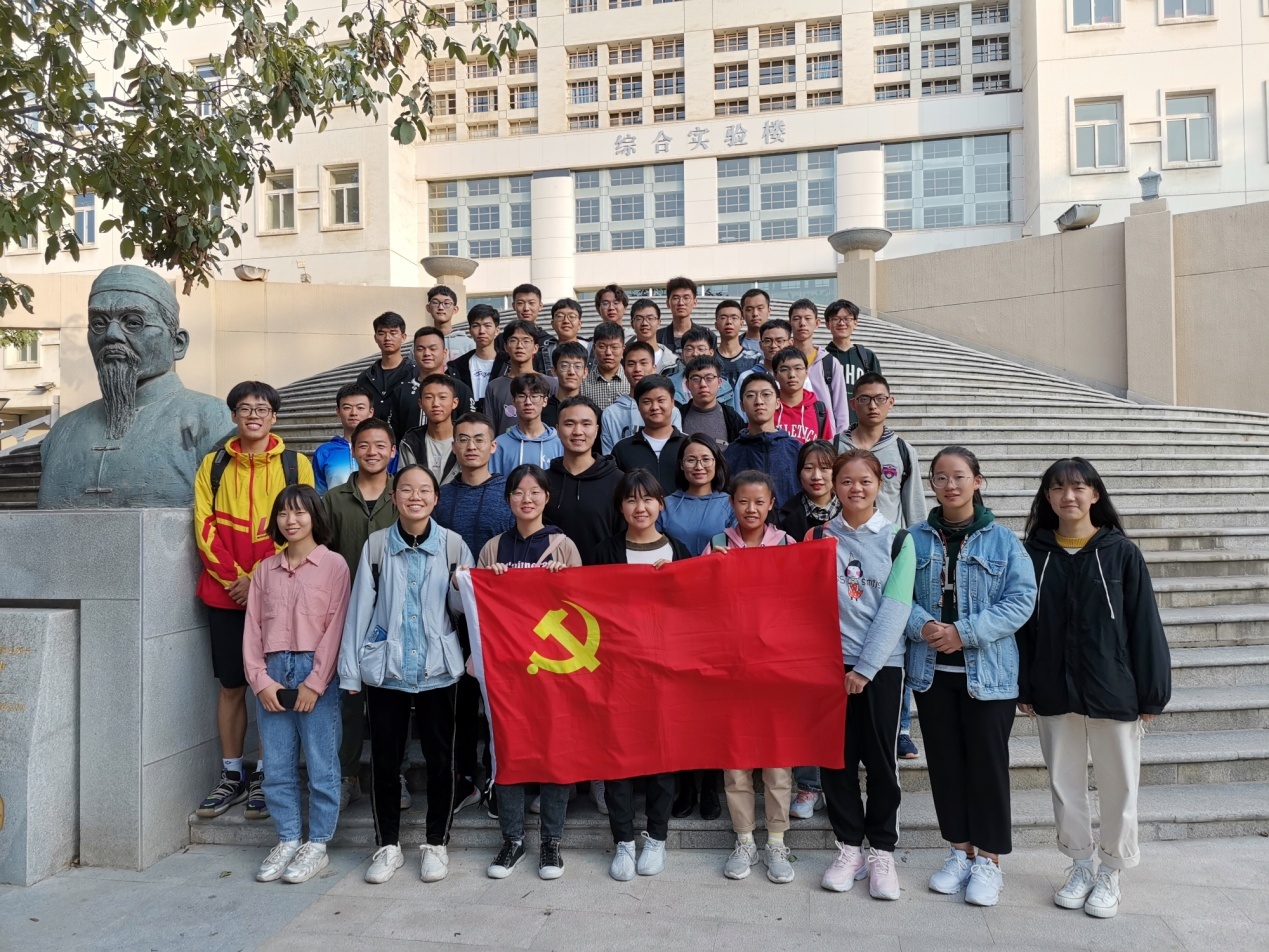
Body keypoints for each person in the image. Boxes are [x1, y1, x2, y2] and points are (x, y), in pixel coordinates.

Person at [1019, 458, 1170, 919]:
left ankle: (1112, 870)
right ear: (1047, 496)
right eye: (1058, 488)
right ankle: (1080, 864)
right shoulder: (1033, 554)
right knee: (1064, 783)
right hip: (1053, 686)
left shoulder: (1121, 553)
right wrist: (1024, 685)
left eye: (1079, 487)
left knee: (1119, 784)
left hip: (1113, 687)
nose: (1069, 496)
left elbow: (1144, 626)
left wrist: (1152, 692)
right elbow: (1023, 628)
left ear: (1095, 495)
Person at [905, 447, 1037, 907]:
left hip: (989, 677)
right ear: (932, 485)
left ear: (977, 481)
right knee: (945, 766)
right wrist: (923, 625)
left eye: (959, 476)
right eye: (940, 477)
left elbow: (1021, 600)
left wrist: (964, 632)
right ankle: (959, 852)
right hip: (932, 675)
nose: (950, 485)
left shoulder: (1003, 541)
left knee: (987, 767)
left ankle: (989, 861)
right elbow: (897, 594)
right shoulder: (915, 539)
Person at [339, 464, 474, 885]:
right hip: (387, 668)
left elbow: (465, 611)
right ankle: (388, 845)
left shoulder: (454, 545)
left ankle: (436, 843)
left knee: (440, 760)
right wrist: (350, 671)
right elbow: (360, 608)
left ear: (436, 498)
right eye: (407, 490)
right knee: (384, 761)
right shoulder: (377, 545)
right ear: (394, 498)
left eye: (424, 490)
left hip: (439, 668)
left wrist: (459, 586)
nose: (416, 497)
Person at [194, 381, 315, 821]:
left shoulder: (295, 463)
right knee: (231, 685)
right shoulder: (214, 464)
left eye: (262, 409)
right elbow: (204, 525)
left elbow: (300, 523)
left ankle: (268, 774)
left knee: (275, 685)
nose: (253, 416)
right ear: (233, 416)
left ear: (274, 417)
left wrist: (258, 582)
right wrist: (236, 580)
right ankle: (232, 774)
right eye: (244, 409)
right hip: (225, 594)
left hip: (279, 592)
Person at [37, 264, 234, 510]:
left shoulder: (213, 420)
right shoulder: (63, 430)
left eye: (133, 322)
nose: (111, 335)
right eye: (98, 323)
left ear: (177, 343)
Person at [817, 449, 915, 901]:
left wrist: (865, 668)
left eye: (865, 481)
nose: (855, 489)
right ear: (834, 486)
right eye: (846, 481)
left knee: (880, 762)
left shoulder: (898, 540)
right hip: (826, 667)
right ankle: (848, 847)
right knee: (835, 761)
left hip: (881, 668)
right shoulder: (819, 536)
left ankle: (881, 851)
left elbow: (896, 608)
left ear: (880, 485)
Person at [477, 464, 583, 881]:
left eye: (535, 492)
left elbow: (583, 607)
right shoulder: (493, 548)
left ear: (546, 497)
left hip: (554, 669)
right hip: (507, 672)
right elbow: (468, 607)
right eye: (518, 492)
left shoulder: (564, 546)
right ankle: (513, 839)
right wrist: (488, 581)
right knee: (509, 751)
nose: (527, 499)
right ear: (508, 500)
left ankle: (551, 841)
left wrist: (563, 582)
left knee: (556, 751)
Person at [246, 486, 350, 884]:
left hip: (314, 671)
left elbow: (336, 627)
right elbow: (252, 629)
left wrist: (316, 681)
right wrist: (260, 681)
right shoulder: (264, 570)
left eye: (300, 512)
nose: (291, 521)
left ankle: (317, 844)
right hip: (273, 670)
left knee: (322, 764)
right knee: (276, 765)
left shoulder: (334, 565)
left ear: (315, 517)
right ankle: (288, 838)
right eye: (283, 513)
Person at [593, 469, 693, 881]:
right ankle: (623, 840)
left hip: (666, 671)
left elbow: (694, 608)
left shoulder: (678, 550)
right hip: (617, 670)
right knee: (617, 754)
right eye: (631, 500)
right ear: (620, 507)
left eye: (648, 499)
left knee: (663, 754)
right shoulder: (604, 552)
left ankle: (656, 836)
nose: (640, 507)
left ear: (660, 504)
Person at [705, 470, 796, 885]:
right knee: (736, 759)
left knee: (778, 759)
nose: (751, 509)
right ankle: (744, 839)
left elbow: (799, 602)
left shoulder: (788, 545)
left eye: (759, 502)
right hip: (731, 668)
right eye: (743, 501)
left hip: (776, 668)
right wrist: (713, 570)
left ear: (772, 503)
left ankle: (776, 840)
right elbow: (698, 599)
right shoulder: (717, 544)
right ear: (732, 504)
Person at [837, 372, 927, 758]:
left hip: (891, 552)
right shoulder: (837, 444)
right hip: (847, 547)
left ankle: (901, 727)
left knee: (894, 635)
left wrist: (917, 550)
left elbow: (914, 506)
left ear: (891, 403)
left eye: (879, 398)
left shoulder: (902, 449)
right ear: (853, 403)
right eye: (864, 398)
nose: (872, 405)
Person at [436, 413, 516, 813]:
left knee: (500, 701)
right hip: (453, 615)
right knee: (460, 702)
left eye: (479, 439)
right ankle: (465, 778)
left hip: (502, 617)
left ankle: (501, 778)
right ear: (453, 446)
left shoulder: (510, 493)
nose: (471, 446)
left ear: (493, 446)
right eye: (463, 439)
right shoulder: (440, 496)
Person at [323, 418, 399, 811]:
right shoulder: (333, 500)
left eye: (381, 445)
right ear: (353, 451)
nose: (372, 452)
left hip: (394, 613)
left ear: (393, 451)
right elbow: (320, 555)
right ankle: (348, 775)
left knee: (391, 700)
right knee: (348, 699)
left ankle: (392, 776)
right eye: (364, 445)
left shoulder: (404, 494)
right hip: (345, 613)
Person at [781, 439, 840, 820]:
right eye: (808, 468)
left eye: (825, 467)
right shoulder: (784, 515)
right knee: (804, 708)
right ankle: (808, 784)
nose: (816, 476)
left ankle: (837, 785)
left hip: (846, 621)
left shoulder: (855, 511)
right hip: (799, 624)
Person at [544, 396, 624, 566]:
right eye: (569, 424)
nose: (578, 431)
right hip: (553, 576)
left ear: (596, 430)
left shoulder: (618, 481)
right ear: (557, 429)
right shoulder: (543, 482)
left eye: (586, 424)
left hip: (602, 575)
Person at [724, 372, 801, 506]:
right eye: (750, 395)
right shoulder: (730, 455)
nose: (759, 401)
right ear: (742, 405)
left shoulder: (797, 451)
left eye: (766, 394)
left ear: (777, 403)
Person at [389, 327, 476, 439]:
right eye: (420, 349)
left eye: (433, 349)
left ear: (445, 353)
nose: (427, 353)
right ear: (414, 354)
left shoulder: (460, 388)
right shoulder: (401, 391)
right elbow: (394, 433)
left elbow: (469, 427)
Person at [600, 342, 684, 454]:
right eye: (631, 364)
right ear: (624, 370)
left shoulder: (671, 410)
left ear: (654, 368)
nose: (637, 369)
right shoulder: (611, 413)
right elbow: (608, 456)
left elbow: (677, 450)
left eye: (643, 363)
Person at [658, 435, 734, 556]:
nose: (699, 467)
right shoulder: (665, 505)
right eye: (691, 460)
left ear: (716, 462)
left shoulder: (730, 504)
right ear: (681, 465)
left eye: (706, 459)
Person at [610, 375, 688, 492]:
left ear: (672, 402)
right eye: (647, 402)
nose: (654, 407)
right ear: (638, 406)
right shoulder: (622, 449)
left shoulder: (688, 446)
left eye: (661, 400)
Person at [788, 298, 851, 434]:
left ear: (817, 323)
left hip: (824, 437)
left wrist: (840, 441)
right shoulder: (782, 362)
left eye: (808, 318)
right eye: (797, 319)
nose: (802, 323)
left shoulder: (829, 362)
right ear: (789, 323)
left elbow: (841, 409)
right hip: (790, 434)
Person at [485, 322, 556, 435]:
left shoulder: (551, 384)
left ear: (535, 348)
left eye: (526, 341)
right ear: (505, 346)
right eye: (513, 340)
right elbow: (489, 428)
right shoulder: (494, 387)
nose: (519, 346)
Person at [488, 374, 564, 475]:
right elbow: (494, 482)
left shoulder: (560, 443)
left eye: (534, 396)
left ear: (545, 401)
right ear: (513, 401)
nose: (528, 402)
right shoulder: (500, 444)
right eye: (521, 396)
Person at [823, 299, 882, 427]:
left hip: (862, 425)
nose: (841, 323)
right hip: (831, 426)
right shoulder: (822, 357)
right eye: (835, 319)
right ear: (827, 324)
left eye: (847, 319)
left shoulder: (867, 357)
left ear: (855, 323)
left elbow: (879, 393)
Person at [355, 311, 417, 428]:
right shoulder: (366, 377)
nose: (387, 338)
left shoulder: (416, 374)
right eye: (382, 333)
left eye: (393, 333)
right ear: (375, 338)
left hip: (407, 436)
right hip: (372, 435)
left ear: (403, 337)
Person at [313, 383, 376, 495]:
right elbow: (320, 494)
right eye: (347, 407)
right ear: (338, 411)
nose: (354, 413)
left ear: (370, 412)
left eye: (360, 408)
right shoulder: (324, 452)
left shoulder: (382, 450)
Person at [397, 374, 460, 486]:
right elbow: (403, 483)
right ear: (420, 403)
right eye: (429, 397)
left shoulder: (467, 440)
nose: (435, 404)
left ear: (454, 403)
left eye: (442, 397)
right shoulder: (410, 442)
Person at [677, 355, 745, 450]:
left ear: (719, 383)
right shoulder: (678, 416)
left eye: (709, 378)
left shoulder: (733, 419)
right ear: (687, 384)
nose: (703, 384)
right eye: (696, 379)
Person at [448, 304, 506, 411]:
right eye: (476, 326)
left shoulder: (508, 364)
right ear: (470, 331)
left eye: (487, 325)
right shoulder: (456, 367)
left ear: (497, 330)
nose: (481, 331)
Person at [772, 347, 834, 444]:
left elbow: (825, 449)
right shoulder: (767, 408)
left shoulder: (819, 410)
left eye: (798, 368)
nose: (792, 375)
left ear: (806, 372)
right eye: (784, 369)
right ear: (775, 375)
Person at [733, 318, 792, 413]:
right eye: (768, 341)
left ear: (790, 343)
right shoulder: (746, 377)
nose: (773, 345)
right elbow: (740, 414)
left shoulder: (797, 377)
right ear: (760, 345)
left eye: (779, 341)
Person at [666, 327, 735, 407]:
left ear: (711, 353)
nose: (695, 354)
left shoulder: (724, 386)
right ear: (682, 354)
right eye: (689, 349)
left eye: (701, 349)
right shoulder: (669, 384)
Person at [581, 322, 630, 411]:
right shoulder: (582, 384)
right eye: (602, 346)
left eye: (614, 347)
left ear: (623, 349)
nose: (608, 352)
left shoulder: (631, 381)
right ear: (594, 348)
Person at [542, 341, 589, 427]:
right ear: (554, 371)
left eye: (577, 366)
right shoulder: (541, 411)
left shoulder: (592, 411)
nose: (571, 372)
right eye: (564, 366)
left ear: (585, 372)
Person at [713, 298, 759, 383]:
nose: (729, 322)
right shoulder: (709, 358)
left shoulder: (755, 358)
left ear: (741, 324)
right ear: (716, 325)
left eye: (734, 317)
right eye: (723, 318)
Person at [628, 298, 679, 373]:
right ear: (632, 324)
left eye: (650, 318)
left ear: (659, 323)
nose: (645, 323)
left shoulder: (673, 362)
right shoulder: (623, 359)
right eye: (639, 319)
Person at [540, 298, 589, 373]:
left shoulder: (591, 349)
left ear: (579, 324)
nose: (566, 321)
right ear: (552, 324)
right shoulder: (543, 352)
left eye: (572, 316)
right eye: (560, 316)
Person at [428, 285, 475, 359]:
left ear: (455, 309)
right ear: (428, 308)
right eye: (435, 302)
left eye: (446, 303)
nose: (441, 307)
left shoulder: (468, 344)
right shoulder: (421, 343)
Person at [659, 277, 700, 355]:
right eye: (675, 298)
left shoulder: (707, 335)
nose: (681, 303)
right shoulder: (658, 337)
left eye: (686, 298)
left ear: (695, 303)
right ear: (668, 303)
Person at [739, 288, 770, 354]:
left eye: (760, 308)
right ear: (742, 313)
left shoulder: (782, 345)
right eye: (749, 309)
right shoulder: (735, 345)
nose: (755, 314)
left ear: (769, 311)